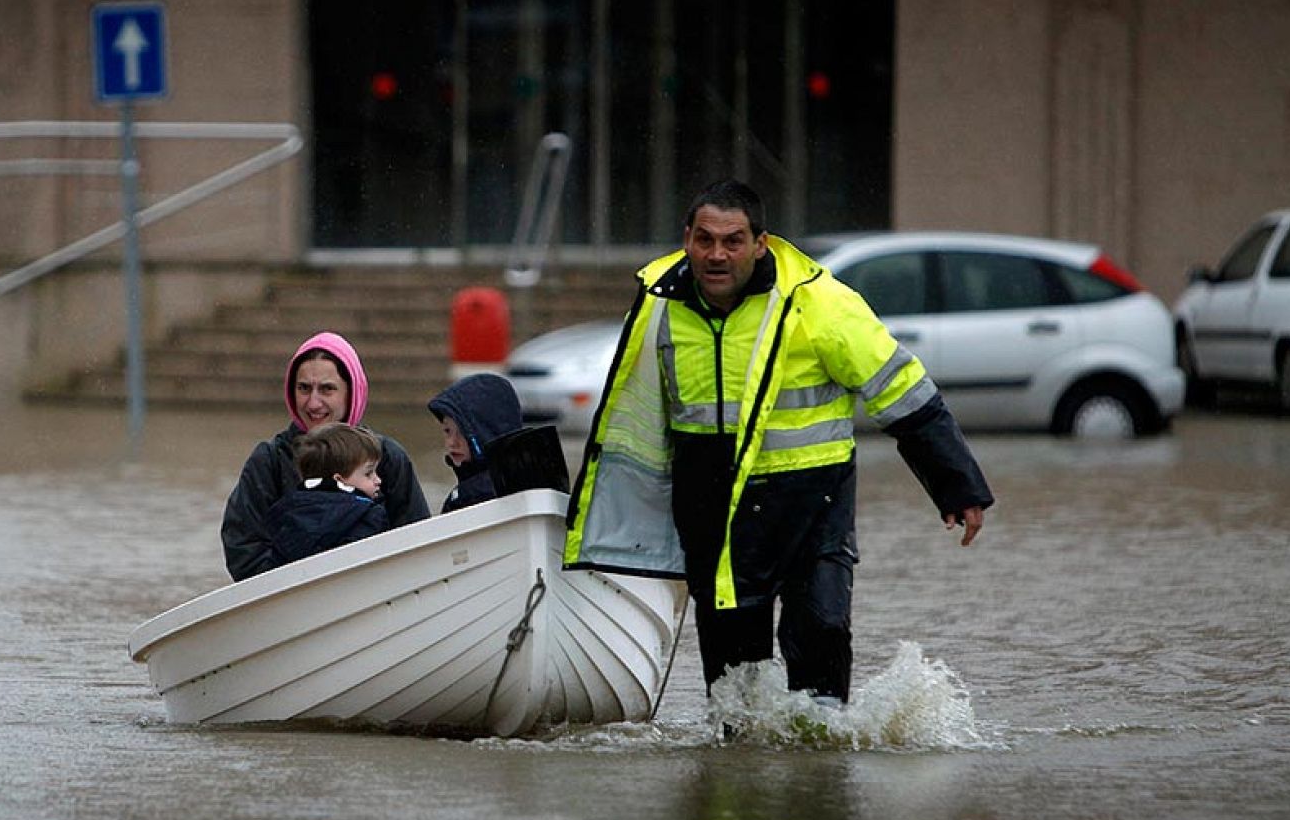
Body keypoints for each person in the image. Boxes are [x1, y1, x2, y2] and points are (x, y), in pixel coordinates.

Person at [563, 179, 993, 704]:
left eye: (733, 241)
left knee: (821, 638)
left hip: (814, 502)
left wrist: (957, 486)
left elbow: (903, 393)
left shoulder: (819, 304)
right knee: (734, 684)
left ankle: (821, 769)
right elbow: (636, 415)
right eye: (705, 240)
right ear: (687, 239)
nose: (716, 255)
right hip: (713, 508)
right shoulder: (659, 304)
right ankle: (736, 770)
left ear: (761, 243)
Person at [222, 332, 430, 581]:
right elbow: (243, 548)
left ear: (352, 392)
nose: (313, 403)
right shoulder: (269, 460)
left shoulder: (389, 457)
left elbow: (418, 541)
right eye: (304, 389)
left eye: (327, 389)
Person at [251, 422, 388, 571]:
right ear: (339, 480)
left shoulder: (285, 510)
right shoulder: (369, 514)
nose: (378, 480)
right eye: (368, 473)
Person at [426, 372, 524, 512]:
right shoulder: (533, 482)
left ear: (485, 433)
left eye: (462, 433)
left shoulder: (471, 497)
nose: (451, 443)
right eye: (447, 431)